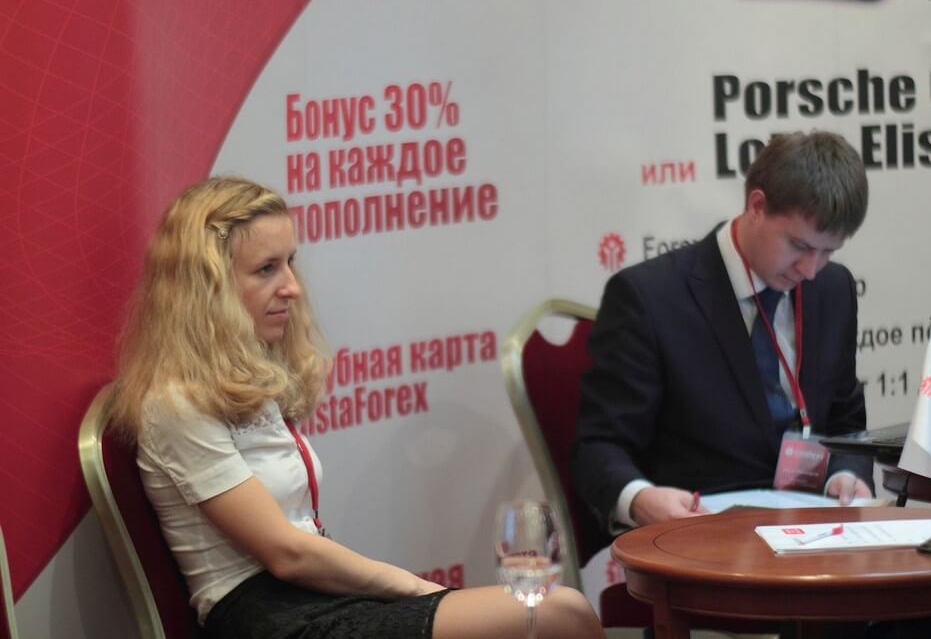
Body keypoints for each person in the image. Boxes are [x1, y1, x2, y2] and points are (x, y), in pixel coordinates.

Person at [110, 177, 603, 639]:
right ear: (207, 287)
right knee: (560, 612)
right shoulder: (175, 404)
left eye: (290, 262)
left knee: (559, 612)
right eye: (266, 269)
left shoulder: (241, 379)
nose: (292, 286)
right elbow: (287, 554)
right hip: (268, 618)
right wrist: (417, 588)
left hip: (312, 596)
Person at [571, 131, 875, 533]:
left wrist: (847, 475)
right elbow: (598, 447)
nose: (810, 270)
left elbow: (846, 422)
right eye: (799, 245)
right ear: (757, 206)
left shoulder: (833, 289)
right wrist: (640, 500)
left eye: (828, 251)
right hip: (698, 537)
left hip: (812, 535)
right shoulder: (649, 297)